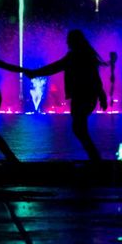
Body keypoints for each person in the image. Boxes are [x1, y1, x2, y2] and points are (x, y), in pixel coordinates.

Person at [26, 29, 110, 162]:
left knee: (78, 128)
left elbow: (55, 67)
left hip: (82, 96)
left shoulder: (75, 56)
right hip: (87, 96)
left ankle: (96, 160)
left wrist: (35, 73)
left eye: (69, 40)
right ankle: (95, 159)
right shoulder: (86, 55)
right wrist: (102, 96)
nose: (67, 42)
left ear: (73, 41)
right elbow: (95, 77)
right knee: (79, 128)